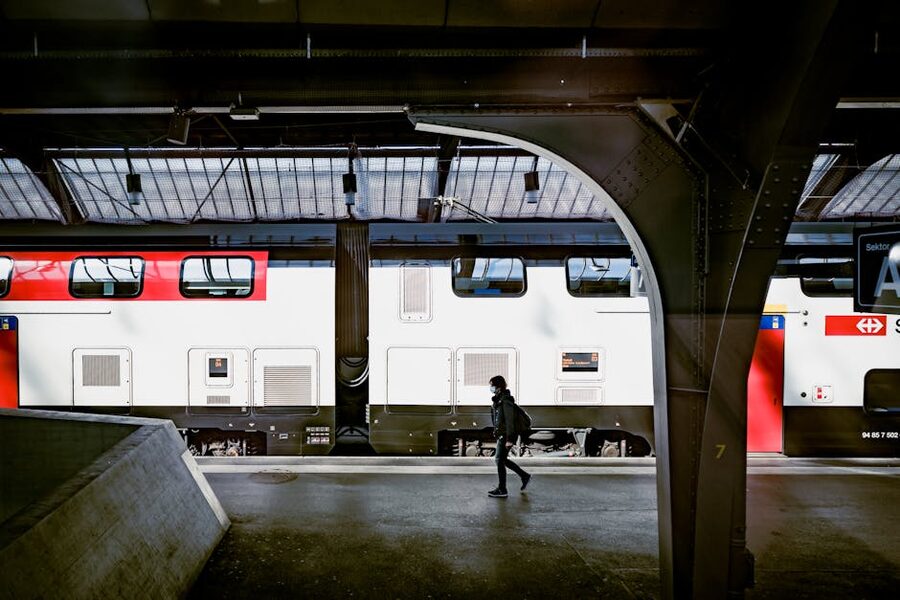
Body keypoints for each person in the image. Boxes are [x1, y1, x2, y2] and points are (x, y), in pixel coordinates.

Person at [488, 375, 531, 498]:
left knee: (499, 460)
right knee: (503, 460)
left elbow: (510, 421)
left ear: (499, 387)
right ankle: (524, 476)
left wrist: (510, 439)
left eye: (492, 385)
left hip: (505, 435)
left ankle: (503, 489)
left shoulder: (506, 401)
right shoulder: (499, 400)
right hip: (501, 434)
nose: (491, 388)